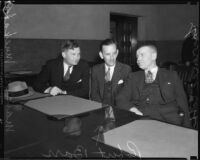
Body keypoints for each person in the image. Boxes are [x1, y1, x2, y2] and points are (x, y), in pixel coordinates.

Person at [116, 44, 191, 128]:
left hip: (169, 122)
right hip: (142, 121)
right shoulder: (133, 77)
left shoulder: (171, 76)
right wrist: (133, 109)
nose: (138, 59)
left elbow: (182, 102)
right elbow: (120, 98)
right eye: (137, 57)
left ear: (153, 56)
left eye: (142, 55)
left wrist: (188, 129)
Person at [91, 38, 131, 107]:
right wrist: (100, 108)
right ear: (101, 55)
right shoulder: (95, 70)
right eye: (108, 54)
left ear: (117, 52)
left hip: (119, 108)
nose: (112, 57)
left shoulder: (126, 69)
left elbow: (127, 95)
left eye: (114, 53)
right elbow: (94, 94)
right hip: (100, 107)